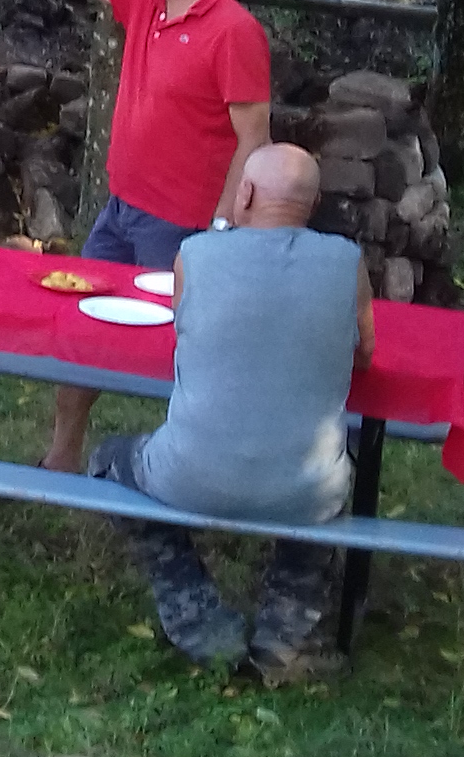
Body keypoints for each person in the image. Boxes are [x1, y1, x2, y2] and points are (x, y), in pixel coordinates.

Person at [0, 0, 273, 471]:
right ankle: (62, 455)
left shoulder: (235, 32)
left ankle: (194, 471)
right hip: (120, 211)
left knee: (182, 355)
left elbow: (254, 141)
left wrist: (223, 230)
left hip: (184, 228)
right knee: (81, 329)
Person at [90, 144, 374, 680]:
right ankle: (283, 635)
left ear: (243, 194)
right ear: (312, 205)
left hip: (188, 476)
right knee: (333, 476)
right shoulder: (347, 263)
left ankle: (192, 610)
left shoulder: (195, 255)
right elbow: (363, 353)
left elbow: (188, 329)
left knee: (107, 461)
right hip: (307, 487)